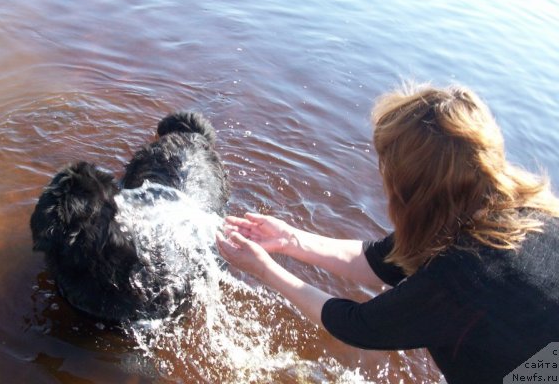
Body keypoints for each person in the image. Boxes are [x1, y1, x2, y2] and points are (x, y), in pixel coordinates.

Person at [216, 84, 559, 384]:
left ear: (413, 187)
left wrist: (263, 269)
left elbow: (358, 326)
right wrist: (291, 240)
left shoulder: (464, 274)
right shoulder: (510, 211)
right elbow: (383, 262)